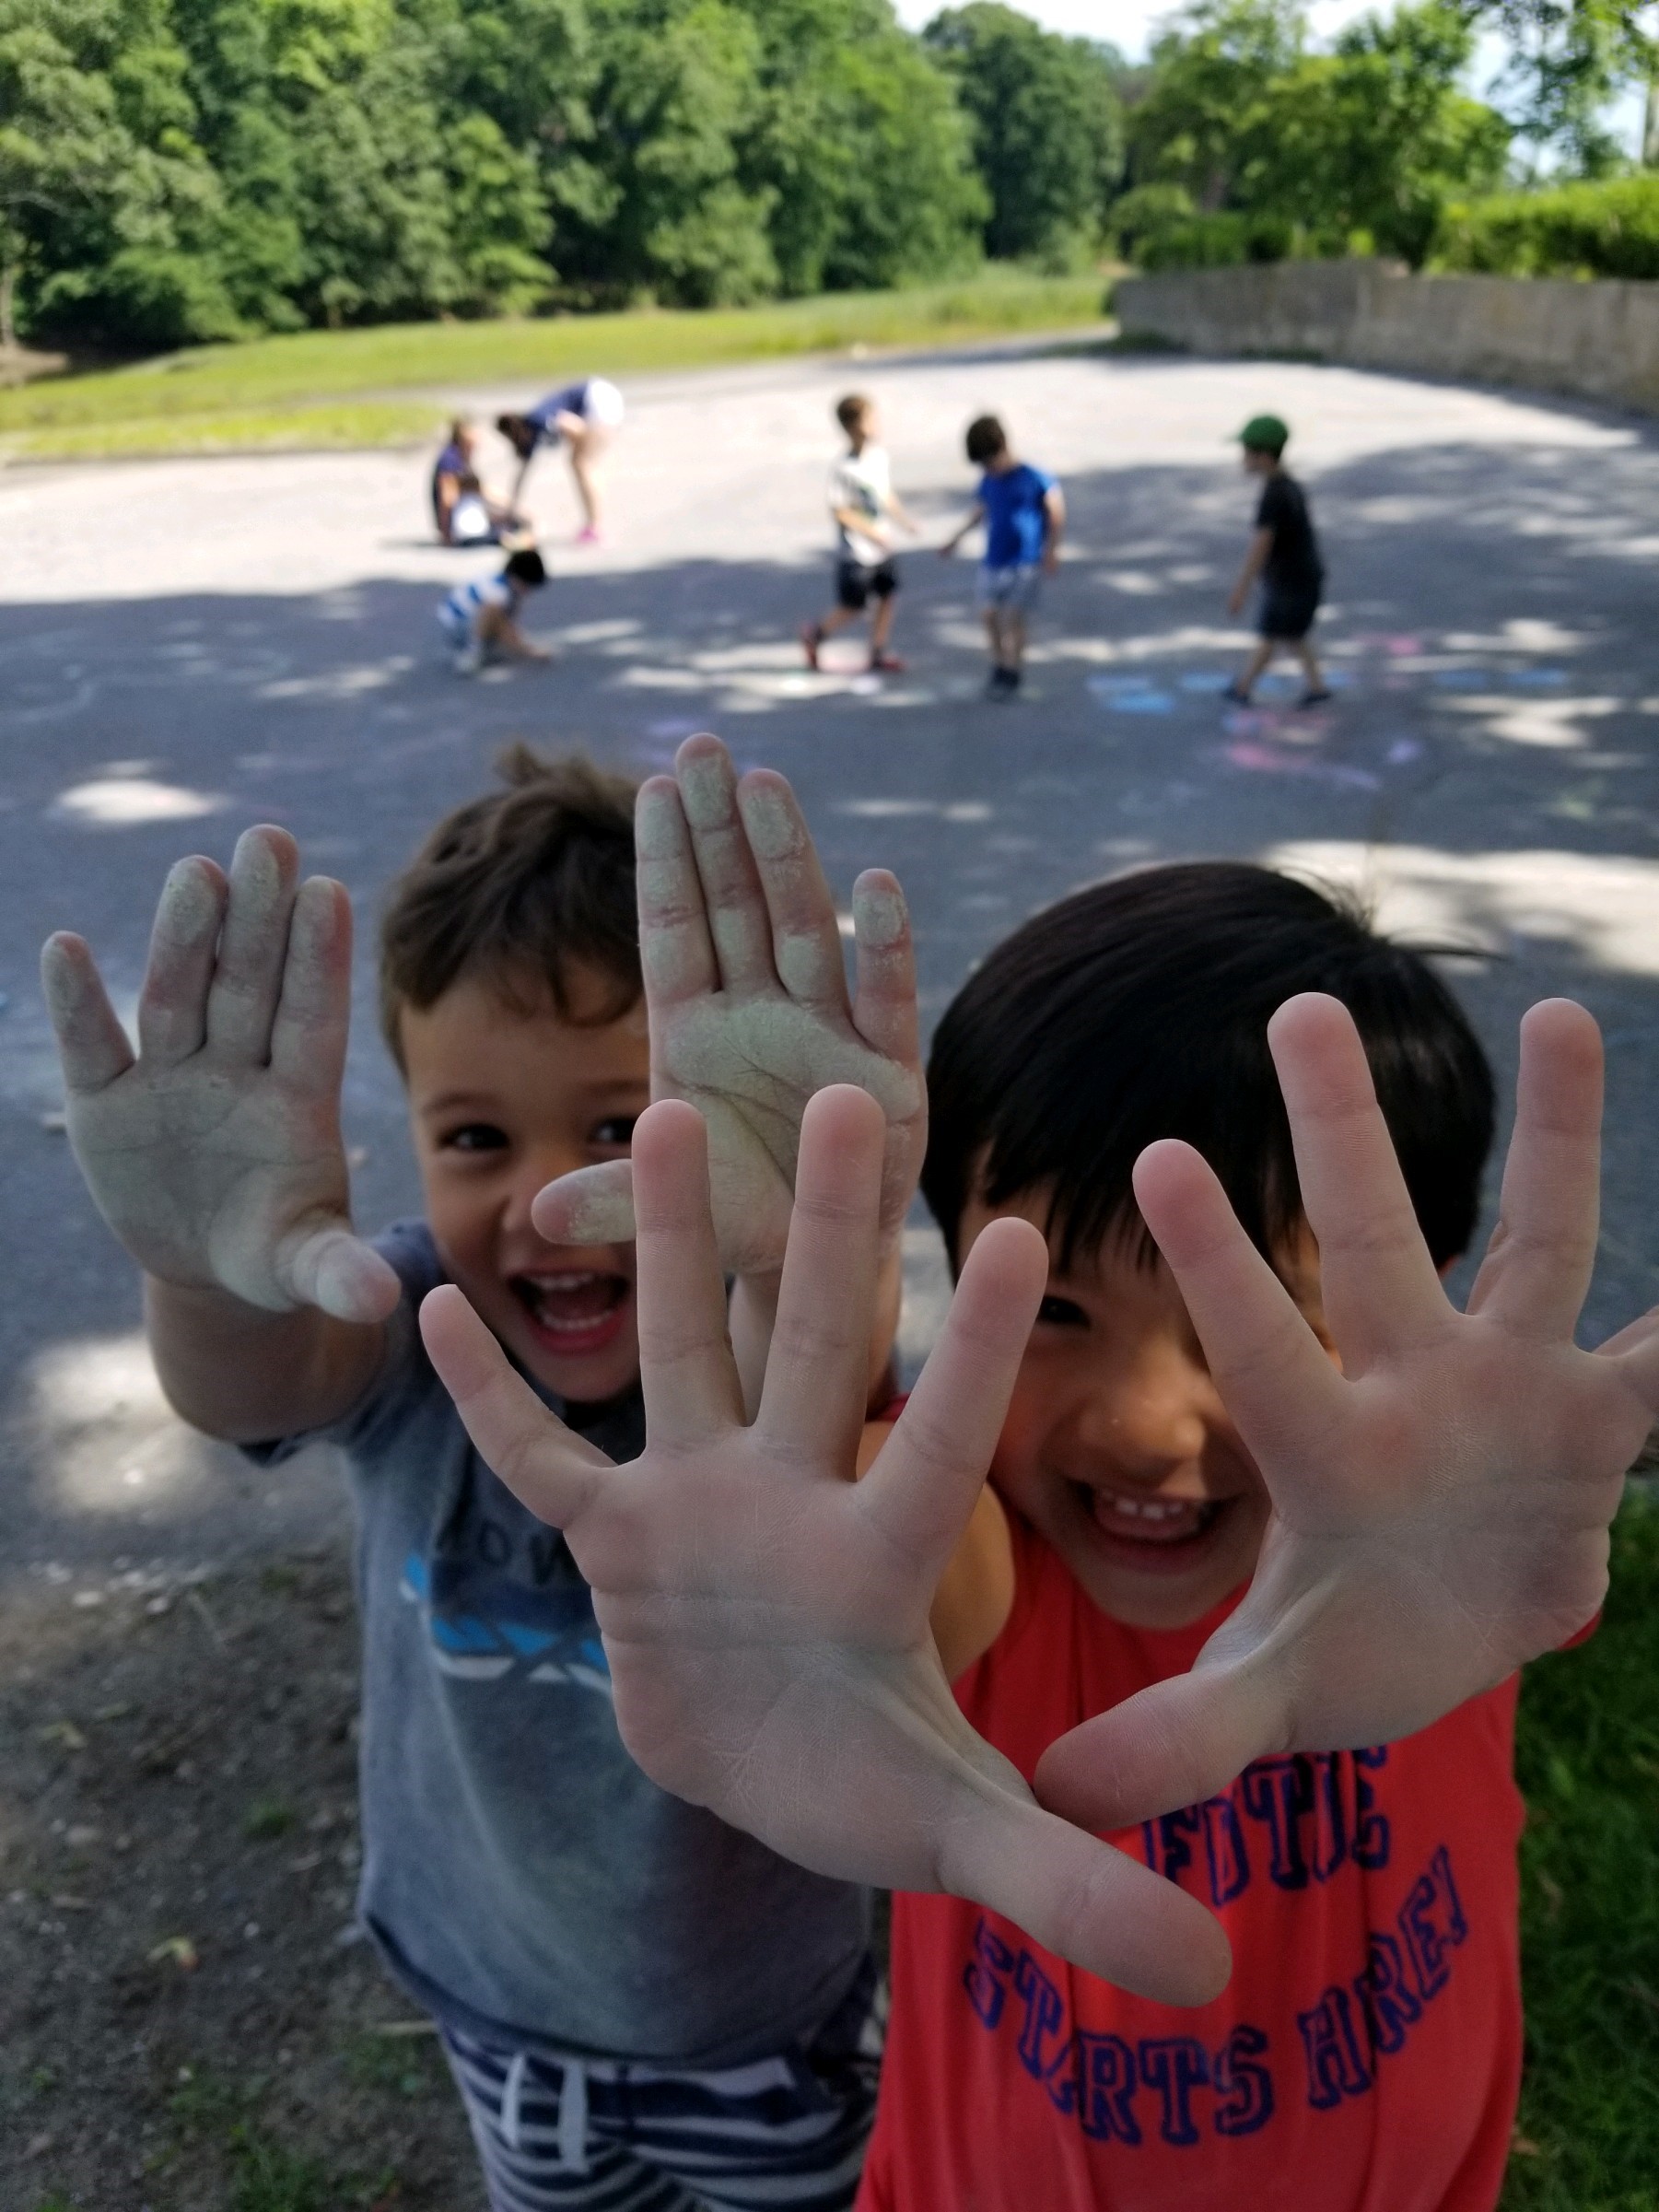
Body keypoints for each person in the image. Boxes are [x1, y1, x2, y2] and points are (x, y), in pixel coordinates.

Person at [427, 736, 1659, 2212]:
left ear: (1418, 1309)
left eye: (1258, 1322)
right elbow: (860, 1575)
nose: (1148, 1423)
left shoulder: (1457, 1539)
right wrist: (775, 1297)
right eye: (1055, 1312)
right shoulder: (961, 1548)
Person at [39, 741, 936, 2212]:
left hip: (760, 2030)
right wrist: (204, 1275)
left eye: (616, 1126)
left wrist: (799, 1249)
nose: (545, 1201)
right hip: (499, 2005)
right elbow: (249, 1385)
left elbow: (818, 1399)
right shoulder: (416, 1330)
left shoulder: (744, 1336)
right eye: (473, 1137)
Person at [940, 414, 1063, 698]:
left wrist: (1052, 549)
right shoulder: (988, 481)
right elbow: (980, 511)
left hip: (1025, 561)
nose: (988, 469)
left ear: (1003, 447)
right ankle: (998, 663)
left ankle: (1013, 669)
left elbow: (1055, 511)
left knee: (1015, 616)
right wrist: (955, 539)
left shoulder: (1033, 477)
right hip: (994, 560)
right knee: (989, 613)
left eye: (989, 462)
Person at [801, 394, 918, 677]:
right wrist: (871, 533)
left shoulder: (878, 457)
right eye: (869, 419)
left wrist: (903, 520)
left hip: (882, 544)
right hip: (857, 550)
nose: (875, 424)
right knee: (853, 606)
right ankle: (817, 633)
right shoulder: (843, 468)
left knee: (888, 594)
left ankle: (878, 650)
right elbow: (840, 511)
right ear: (852, 426)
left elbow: (885, 494)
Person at [1225, 414, 1330, 708]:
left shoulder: (1274, 495)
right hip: (1302, 578)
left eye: (1246, 453)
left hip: (1291, 582)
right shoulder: (1289, 486)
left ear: (1264, 456)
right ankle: (1317, 687)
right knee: (1295, 635)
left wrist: (1241, 589)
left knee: (1269, 635)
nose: (1242, 459)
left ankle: (1243, 689)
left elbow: (1261, 545)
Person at [497, 378, 626, 542]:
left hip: (598, 398)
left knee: (582, 464)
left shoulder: (538, 420)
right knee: (583, 464)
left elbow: (574, 426)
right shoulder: (529, 434)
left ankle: (595, 527)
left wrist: (583, 444)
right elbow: (521, 475)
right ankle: (594, 523)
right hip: (599, 398)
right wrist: (511, 511)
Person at [436, 544, 550, 675]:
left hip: (467, 622)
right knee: (492, 610)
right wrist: (529, 651)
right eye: (527, 586)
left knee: (501, 626)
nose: (528, 591)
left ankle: (487, 648)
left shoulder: (506, 586)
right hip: (456, 627)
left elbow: (507, 624)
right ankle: (473, 653)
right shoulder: (498, 592)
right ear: (517, 578)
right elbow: (502, 625)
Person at [431, 418, 520, 545]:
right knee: (506, 531)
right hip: (461, 527)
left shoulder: (460, 456)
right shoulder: (450, 460)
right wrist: (446, 535)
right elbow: (447, 498)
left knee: (511, 522)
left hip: (465, 521)